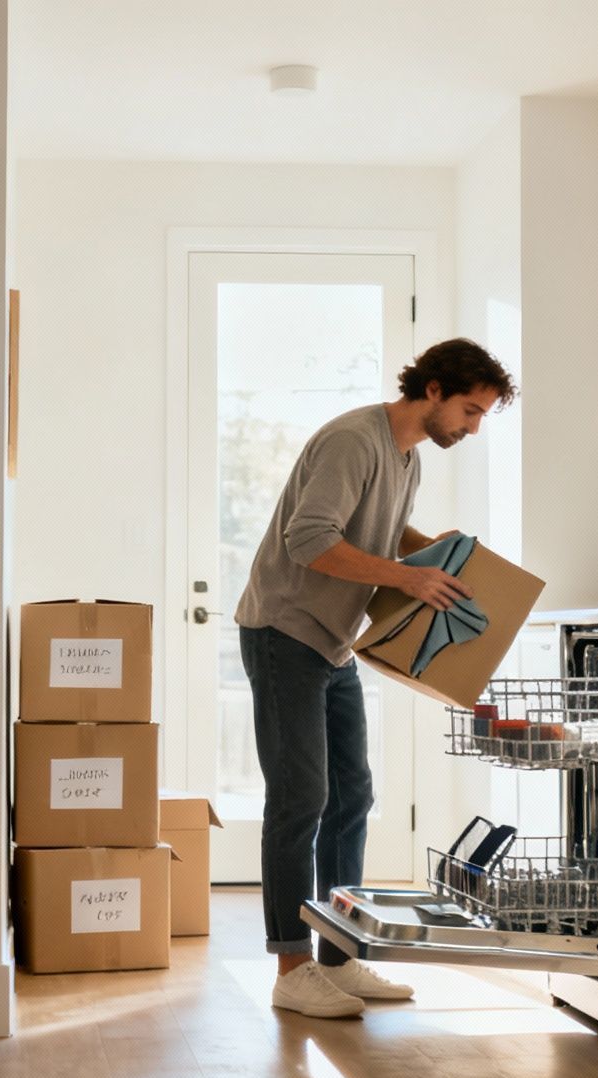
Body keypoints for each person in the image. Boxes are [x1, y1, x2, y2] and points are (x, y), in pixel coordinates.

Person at [233, 337, 517, 1018]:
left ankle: (340, 957)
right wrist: (410, 575)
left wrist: (433, 551)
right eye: (471, 412)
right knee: (300, 798)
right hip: (284, 633)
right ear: (436, 389)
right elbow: (310, 539)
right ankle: (291, 966)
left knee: (351, 797)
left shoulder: (406, 455)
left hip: (331, 645)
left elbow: (377, 534)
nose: (473, 429)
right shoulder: (354, 441)